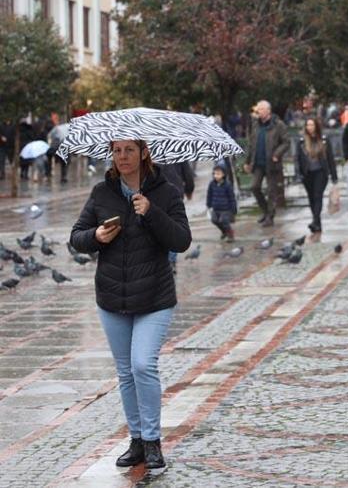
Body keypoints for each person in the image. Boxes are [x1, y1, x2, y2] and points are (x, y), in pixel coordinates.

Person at [70, 139, 192, 470]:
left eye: (128, 150)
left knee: (142, 365)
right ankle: (136, 440)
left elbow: (182, 240)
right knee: (125, 372)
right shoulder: (102, 192)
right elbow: (75, 238)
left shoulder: (166, 192)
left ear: (143, 153)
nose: (122, 157)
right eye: (117, 151)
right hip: (112, 297)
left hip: (155, 297)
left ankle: (153, 441)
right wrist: (95, 236)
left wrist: (151, 213)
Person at [243, 100, 289, 227]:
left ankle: (270, 216)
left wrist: (277, 154)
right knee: (254, 187)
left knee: (271, 191)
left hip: (272, 163)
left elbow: (286, 142)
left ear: (268, 110)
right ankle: (265, 211)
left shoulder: (278, 125)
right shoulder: (255, 125)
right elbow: (251, 145)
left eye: (261, 109)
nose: (258, 112)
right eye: (258, 109)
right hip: (258, 163)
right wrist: (248, 161)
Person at [294, 117, 338, 233]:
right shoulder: (302, 141)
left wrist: (334, 176)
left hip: (320, 172)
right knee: (311, 197)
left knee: (318, 195)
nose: (310, 127)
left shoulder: (323, 140)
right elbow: (297, 158)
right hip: (307, 173)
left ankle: (315, 220)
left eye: (312, 125)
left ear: (316, 126)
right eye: (308, 125)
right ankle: (317, 223)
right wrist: (298, 173)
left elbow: (330, 158)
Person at [207, 164, 237, 241]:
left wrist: (233, 209)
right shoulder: (212, 184)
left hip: (225, 208)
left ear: (223, 174)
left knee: (224, 221)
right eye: (214, 174)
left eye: (218, 174)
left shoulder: (227, 185)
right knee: (214, 220)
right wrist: (208, 204)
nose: (216, 176)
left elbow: (232, 198)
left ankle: (230, 234)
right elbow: (209, 194)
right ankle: (224, 231)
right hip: (215, 207)